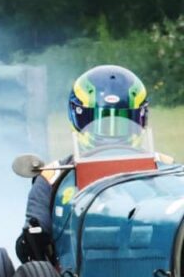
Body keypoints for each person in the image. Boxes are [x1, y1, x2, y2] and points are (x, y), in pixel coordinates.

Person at [22, 65, 161, 259]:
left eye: (122, 122)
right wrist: (35, 236)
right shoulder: (52, 177)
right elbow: (30, 249)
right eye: (100, 123)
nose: (111, 133)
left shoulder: (164, 168)